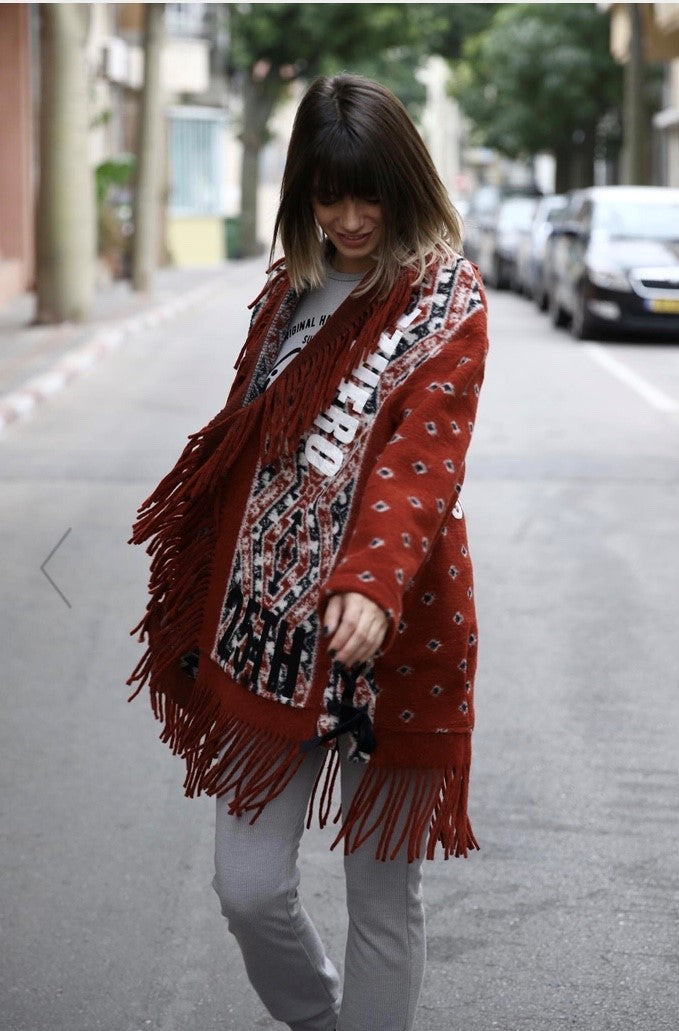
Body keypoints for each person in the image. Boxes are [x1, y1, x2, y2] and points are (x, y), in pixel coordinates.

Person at [129, 74, 488, 1031]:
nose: (352, 219)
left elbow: (419, 464)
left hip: (398, 632)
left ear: (406, 186)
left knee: (382, 901)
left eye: (371, 195)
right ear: (303, 193)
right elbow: (250, 450)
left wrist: (369, 581)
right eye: (330, 197)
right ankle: (319, 1017)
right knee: (247, 887)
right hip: (268, 629)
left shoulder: (445, 299)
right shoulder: (287, 292)